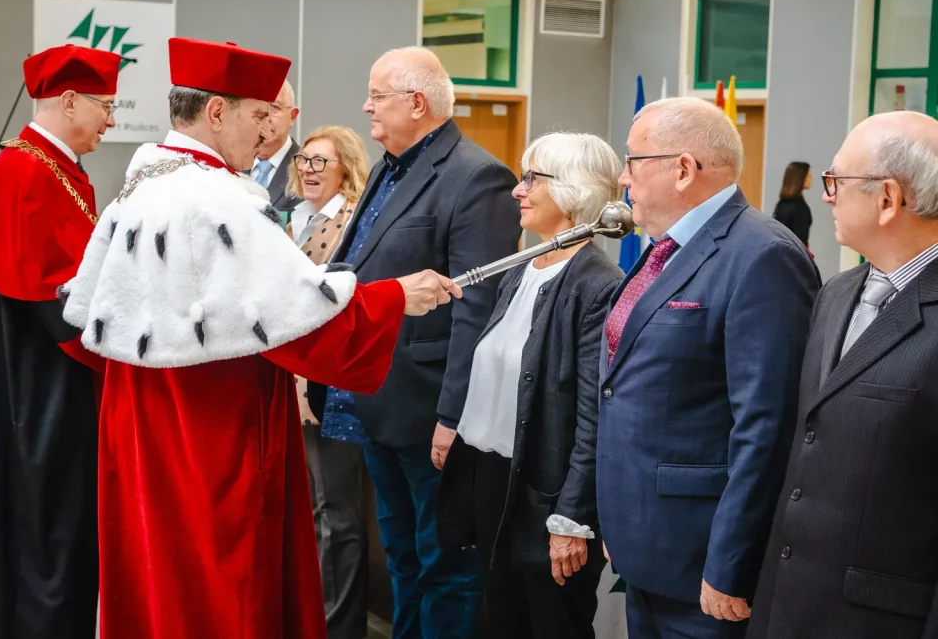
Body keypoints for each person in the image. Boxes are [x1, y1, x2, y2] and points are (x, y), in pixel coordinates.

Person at [58, 37, 460, 639]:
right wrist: (397, 296)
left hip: (143, 426)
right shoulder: (221, 200)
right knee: (220, 586)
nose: (269, 132)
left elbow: (90, 310)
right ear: (216, 112)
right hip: (212, 434)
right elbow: (299, 324)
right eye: (258, 114)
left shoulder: (140, 185)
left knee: (155, 572)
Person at [306, 46, 520, 639]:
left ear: (417, 102)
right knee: (401, 560)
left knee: (445, 568)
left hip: (430, 413)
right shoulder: (385, 165)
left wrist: (454, 414)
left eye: (377, 96)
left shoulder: (478, 177)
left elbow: (478, 310)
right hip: (378, 400)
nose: (366, 106)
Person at [596, 97, 820, 639]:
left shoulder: (762, 255)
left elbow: (766, 429)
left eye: (633, 161)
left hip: (704, 565)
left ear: (683, 168)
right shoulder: (663, 251)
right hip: (645, 544)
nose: (623, 178)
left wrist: (731, 565)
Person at [0, 43, 120, 639]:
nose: (112, 119)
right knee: (44, 534)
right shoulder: (25, 171)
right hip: (39, 402)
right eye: (106, 105)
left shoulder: (51, 166)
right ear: (70, 99)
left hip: (43, 391)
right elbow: (56, 301)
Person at [748, 111, 938, 639]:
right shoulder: (835, 292)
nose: (826, 195)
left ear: (887, 199)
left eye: (837, 181)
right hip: (785, 608)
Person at [435, 132, 624, 639]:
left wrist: (571, 518)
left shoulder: (598, 286)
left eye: (531, 178)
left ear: (572, 191)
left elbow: (594, 415)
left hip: (548, 498)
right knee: (500, 625)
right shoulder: (524, 269)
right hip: (497, 484)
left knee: (551, 626)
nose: (517, 191)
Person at [284, 125, 372, 639]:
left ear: (346, 167)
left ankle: (340, 628)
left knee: (337, 515)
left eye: (322, 161)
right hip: (290, 383)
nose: (310, 169)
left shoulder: (351, 219)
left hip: (331, 386)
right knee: (311, 510)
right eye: (306, 161)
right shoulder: (293, 218)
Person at [247, 78, 302, 215]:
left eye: (274, 108)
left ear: (292, 117)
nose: (266, 117)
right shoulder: (231, 166)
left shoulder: (307, 168)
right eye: (258, 108)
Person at [772, 161, 813, 246]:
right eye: (808, 177)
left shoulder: (781, 204)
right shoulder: (800, 208)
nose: (811, 180)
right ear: (800, 178)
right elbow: (801, 241)